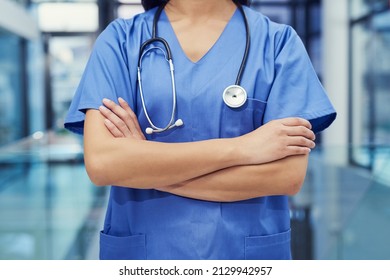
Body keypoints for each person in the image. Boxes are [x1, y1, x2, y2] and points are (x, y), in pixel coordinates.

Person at [64, 0, 336, 260]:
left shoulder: (279, 43)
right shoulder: (120, 40)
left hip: (245, 257)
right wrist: (245, 147)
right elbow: (103, 163)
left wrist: (143, 167)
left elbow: (286, 176)